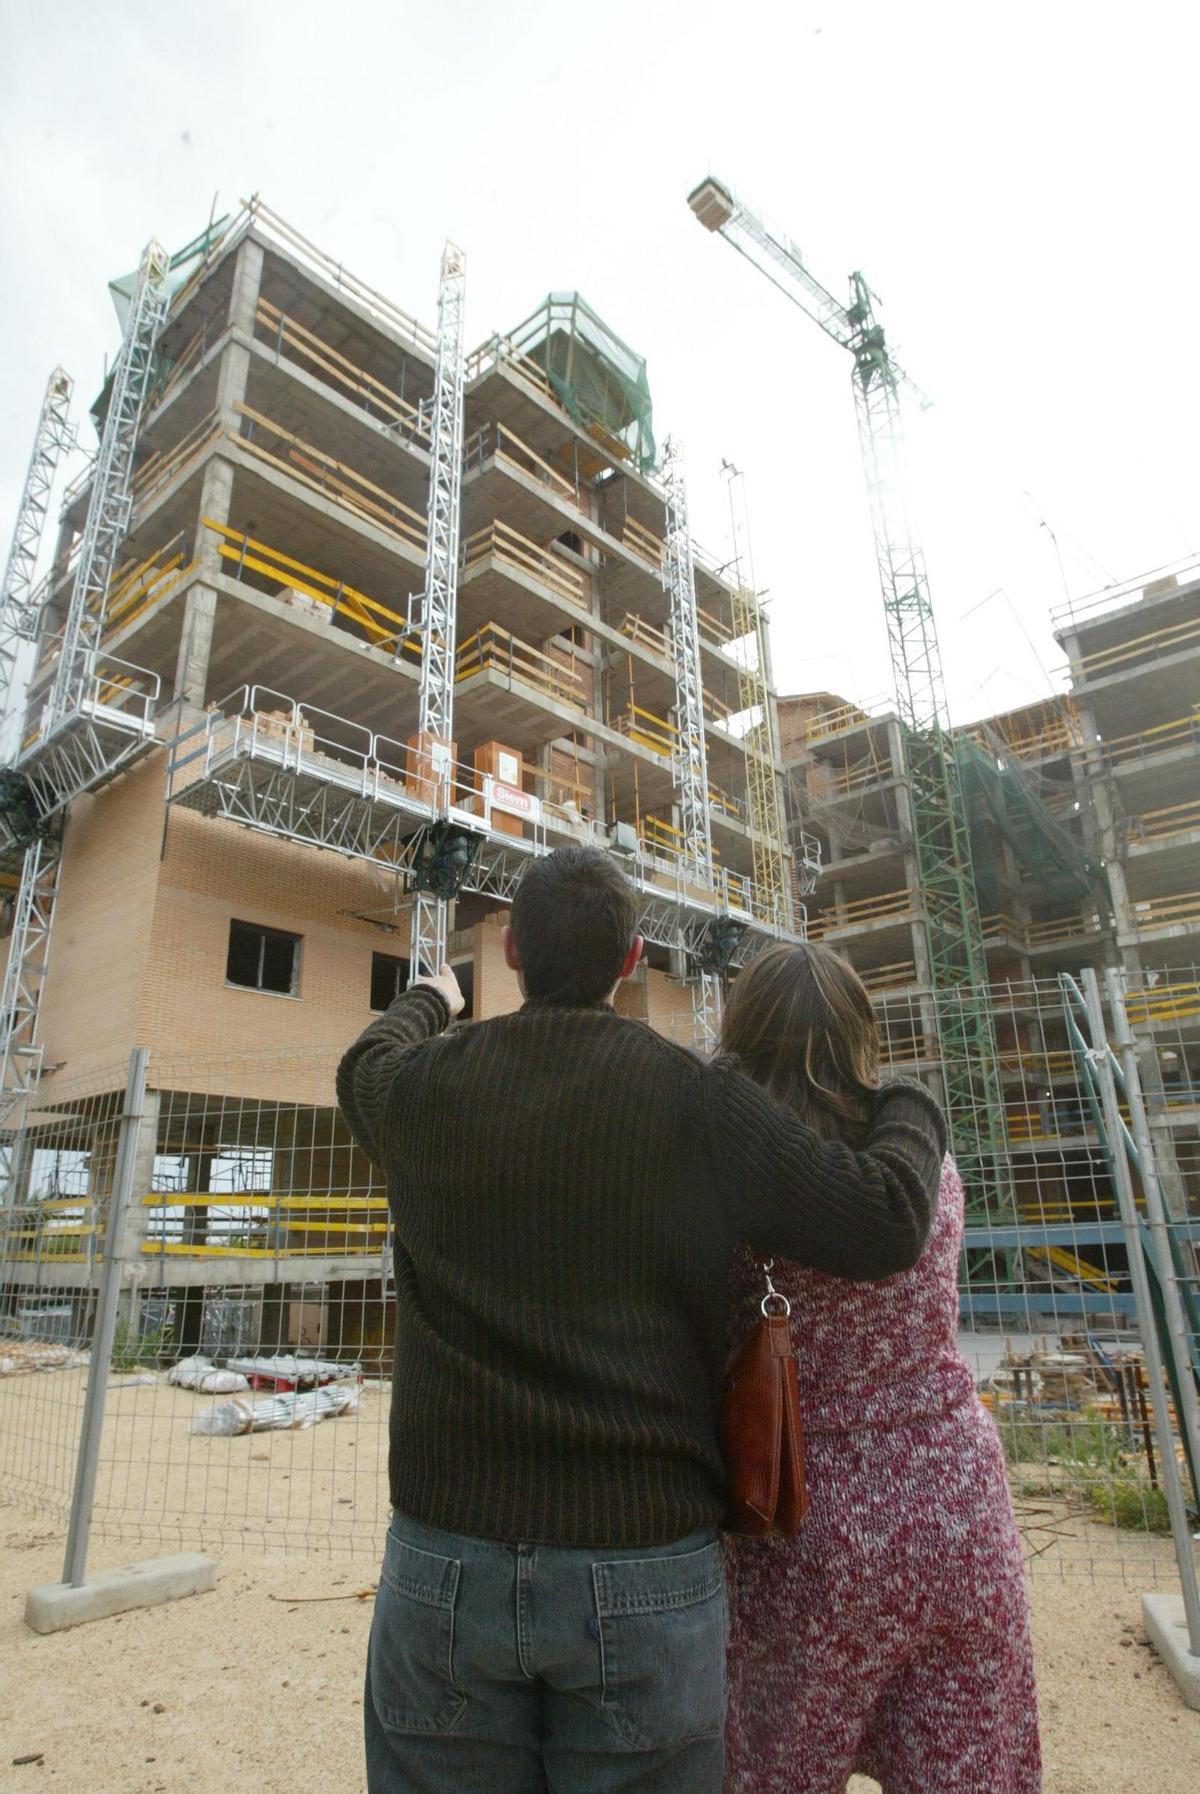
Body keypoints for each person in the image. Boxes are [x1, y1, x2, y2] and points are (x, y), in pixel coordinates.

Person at [336, 846, 946, 1794]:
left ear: (509, 951)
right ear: (631, 961)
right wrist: (900, 1093)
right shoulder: (696, 1100)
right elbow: (887, 1217)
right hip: (645, 1571)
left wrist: (431, 999)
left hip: (445, 1559)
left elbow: (363, 1063)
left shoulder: (423, 1090)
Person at [721, 942, 1040, 1794]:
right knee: (975, 1770)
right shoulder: (926, 1168)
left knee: (769, 1771)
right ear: (862, 1035)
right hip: (957, 1500)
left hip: (801, 1519)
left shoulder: (742, 1186)